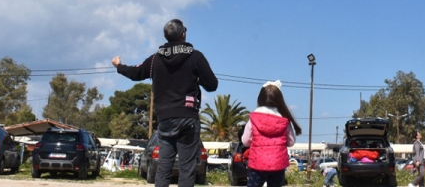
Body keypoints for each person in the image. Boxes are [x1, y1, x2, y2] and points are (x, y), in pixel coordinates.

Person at [112, 19, 217, 187]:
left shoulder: (155, 59)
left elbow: (135, 73)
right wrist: (198, 79)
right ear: (183, 34)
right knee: (187, 169)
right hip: (188, 117)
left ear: (166, 37)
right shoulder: (195, 56)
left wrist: (119, 66)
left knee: (163, 168)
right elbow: (212, 85)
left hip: (165, 119)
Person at [241, 80, 302, 187]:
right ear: (280, 100)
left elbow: (245, 141)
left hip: (257, 162)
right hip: (278, 163)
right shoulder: (284, 120)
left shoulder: (253, 119)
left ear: (260, 98)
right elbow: (291, 142)